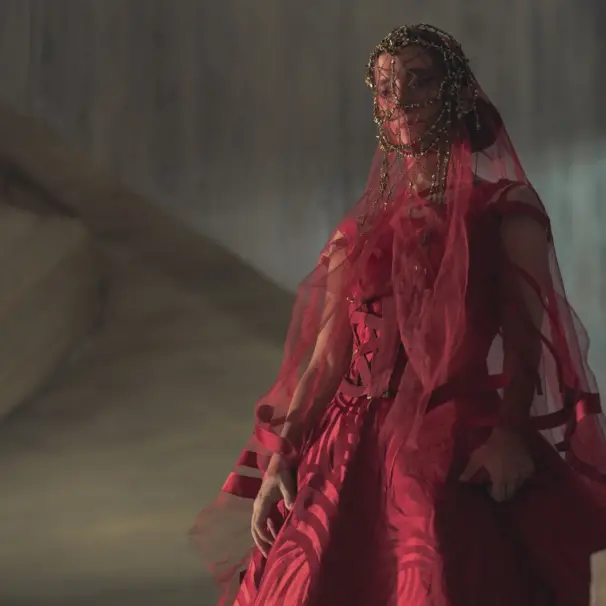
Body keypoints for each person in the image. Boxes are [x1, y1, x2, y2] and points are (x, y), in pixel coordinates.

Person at [190, 24, 606, 605]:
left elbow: (526, 338)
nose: (401, 99)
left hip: (451, 438)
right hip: (345, 448)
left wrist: (510, 433)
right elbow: (328, 358)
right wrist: (284, 452)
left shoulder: (502, 210)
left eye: (419, 81)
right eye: (386, 88)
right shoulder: (358, 232)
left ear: (456, 93)